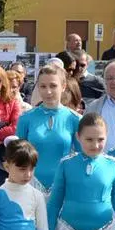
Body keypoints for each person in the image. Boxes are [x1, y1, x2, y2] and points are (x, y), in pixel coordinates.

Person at [16, 65, 80, 197]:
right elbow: (18, 157)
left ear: (63, 86)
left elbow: (81, 156)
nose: (48, 91)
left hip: (64, 185)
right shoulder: (25, 118)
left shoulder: (75, 119)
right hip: (30, 183)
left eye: (53, 86)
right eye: (43, 86)